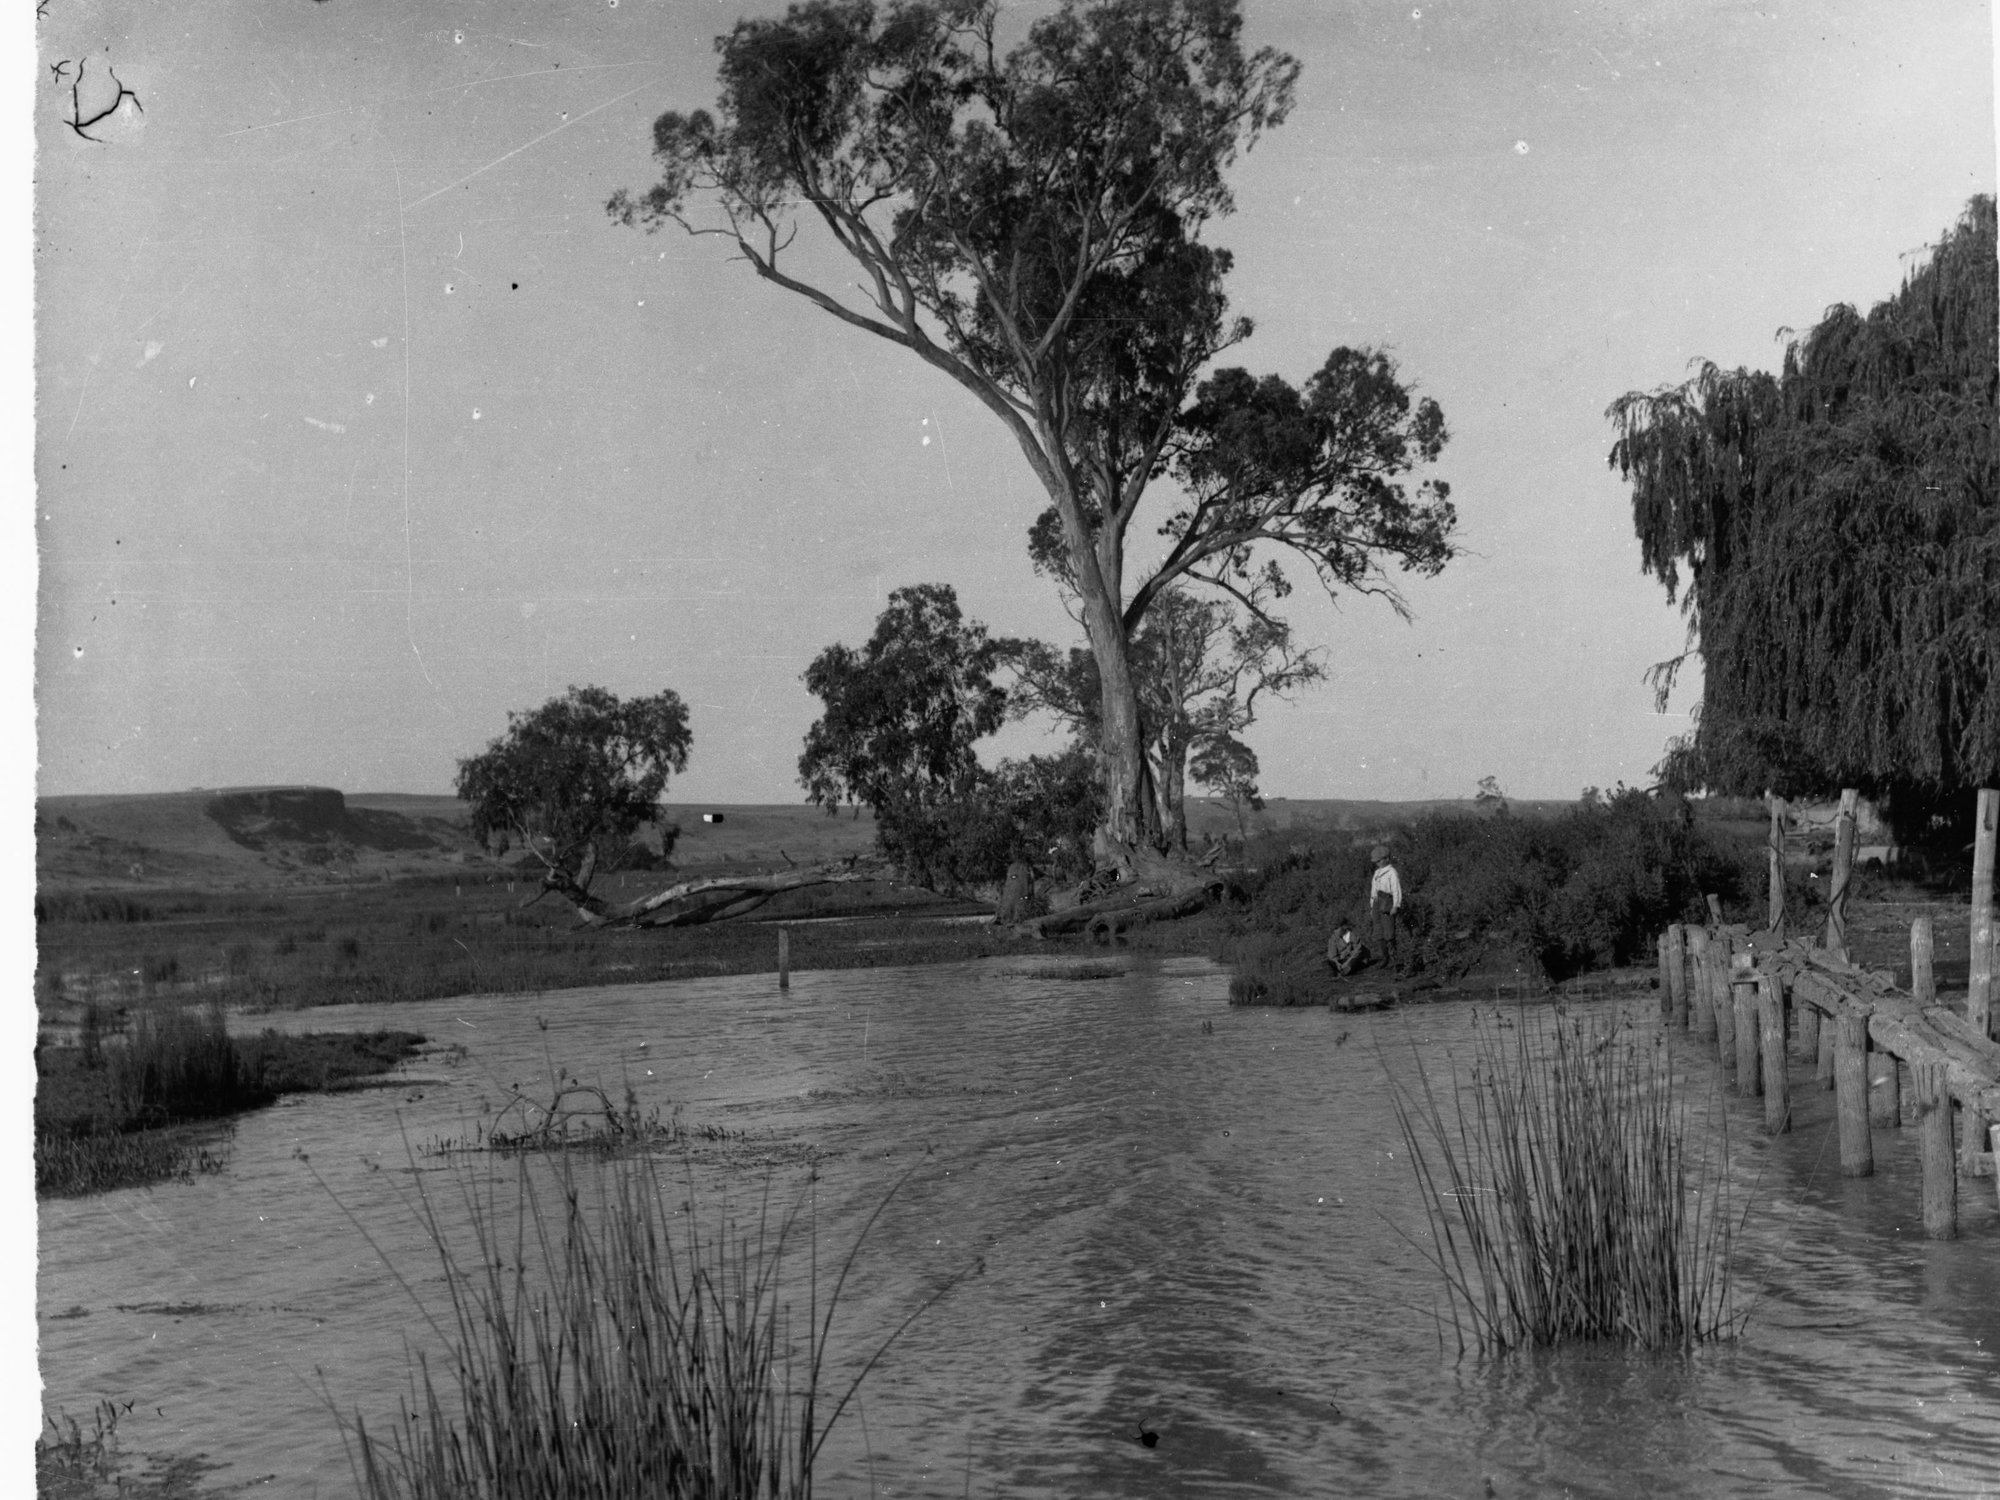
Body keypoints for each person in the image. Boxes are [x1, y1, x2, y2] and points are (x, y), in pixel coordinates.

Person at [1367, 844, 1403, 969]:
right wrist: (1372, 908)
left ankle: (1395, 960)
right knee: (1378, 932)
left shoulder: (1392, 872)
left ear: (1386, 858)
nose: (1377, 863)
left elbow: (1396, 890)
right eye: (1376, 861)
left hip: (1387, 902)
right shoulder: (1377, 873)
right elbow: (1373, 891)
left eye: (1379, 860)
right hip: (1377, 903)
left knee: (1389, 932)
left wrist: (1396, 906)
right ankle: (1384, 958)